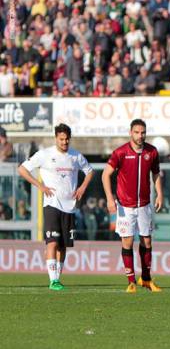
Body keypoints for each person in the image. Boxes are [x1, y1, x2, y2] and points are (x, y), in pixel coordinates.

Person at [18, 124, 94, 290]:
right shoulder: (45, 154)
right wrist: (40, 186)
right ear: (56, 138)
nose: (64, 142)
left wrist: (82, 188)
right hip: (52, 204)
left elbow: (90, 171)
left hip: (70, 206)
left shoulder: (75, 156)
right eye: (61, 139)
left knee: (63, 245)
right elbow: (22, 169)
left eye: (67, 139)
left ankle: (57, 279)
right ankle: (52, 280)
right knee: (52, 242)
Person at [102, 119, 164, 293]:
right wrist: (109, 198)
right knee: (127, 242)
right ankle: (131, 281)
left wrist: (160, 193)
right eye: (137, 132)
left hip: (144, 205)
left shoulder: (151, 152)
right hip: (125, 206)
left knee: (147, 241)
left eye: (143, 132)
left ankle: (146, 279)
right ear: (131, 132)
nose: (140, 135)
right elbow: (105, 175)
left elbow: (156, 173)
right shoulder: (120, 152)